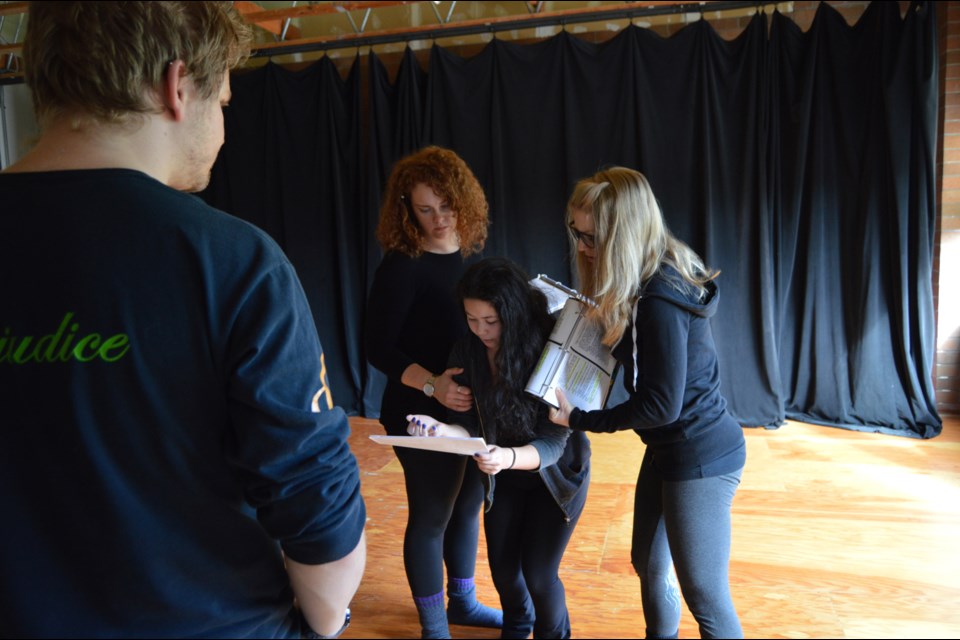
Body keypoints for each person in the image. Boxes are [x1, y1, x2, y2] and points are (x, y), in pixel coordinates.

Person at [0, 3, 365, 638]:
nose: (223, 129)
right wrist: (326, 620)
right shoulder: (234, 261)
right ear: (176, 88)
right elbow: (317, 512)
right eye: (222, 101)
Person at [548, 167, 746, 639]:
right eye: (577, 234)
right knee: (649, 564)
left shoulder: (658, 298)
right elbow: (644, 368)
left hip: (700, 458)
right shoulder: (646, 284)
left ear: (624, 235)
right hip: (667, 451)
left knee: (706, 597)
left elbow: (660, 406)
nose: (582, 247)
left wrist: (580, 419)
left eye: (593, 237)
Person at [407, 257, 591, 639]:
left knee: (539, 576)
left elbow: (554, 443)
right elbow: (473, 428)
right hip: (503, 474)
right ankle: (517, 626)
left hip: (554, 477)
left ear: (514, 313)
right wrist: (440, 429)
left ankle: (552, 633)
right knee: (505, 573)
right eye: (472, 320)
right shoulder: (467, 351)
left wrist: (505, 457)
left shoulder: (547, 350)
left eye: (491, 321)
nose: (481, 331)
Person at [364, 146, 500, 638]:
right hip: (417, 411)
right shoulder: (403, 266)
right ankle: (434, 624)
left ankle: (462, 603)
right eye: (425, 209)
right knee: (432, 514)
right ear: (407, 209)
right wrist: (431, 383)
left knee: (467, 505)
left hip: (470, 409)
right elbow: (376, 346)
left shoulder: (469, 253)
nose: (439, 219)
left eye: (446, 206)